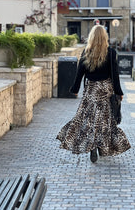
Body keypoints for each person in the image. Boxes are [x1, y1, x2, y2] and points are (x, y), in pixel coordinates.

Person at [56, 25, 131, 163]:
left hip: (91, 90)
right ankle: (100, 146)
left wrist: (75, 89)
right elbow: (115, 75)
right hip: (105, 90)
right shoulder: (111, 52)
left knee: (89, 120)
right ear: (105, 37)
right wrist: (119, 92)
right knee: (104, 121)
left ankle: (93, 146)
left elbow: (79, 73)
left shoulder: (86, 52)